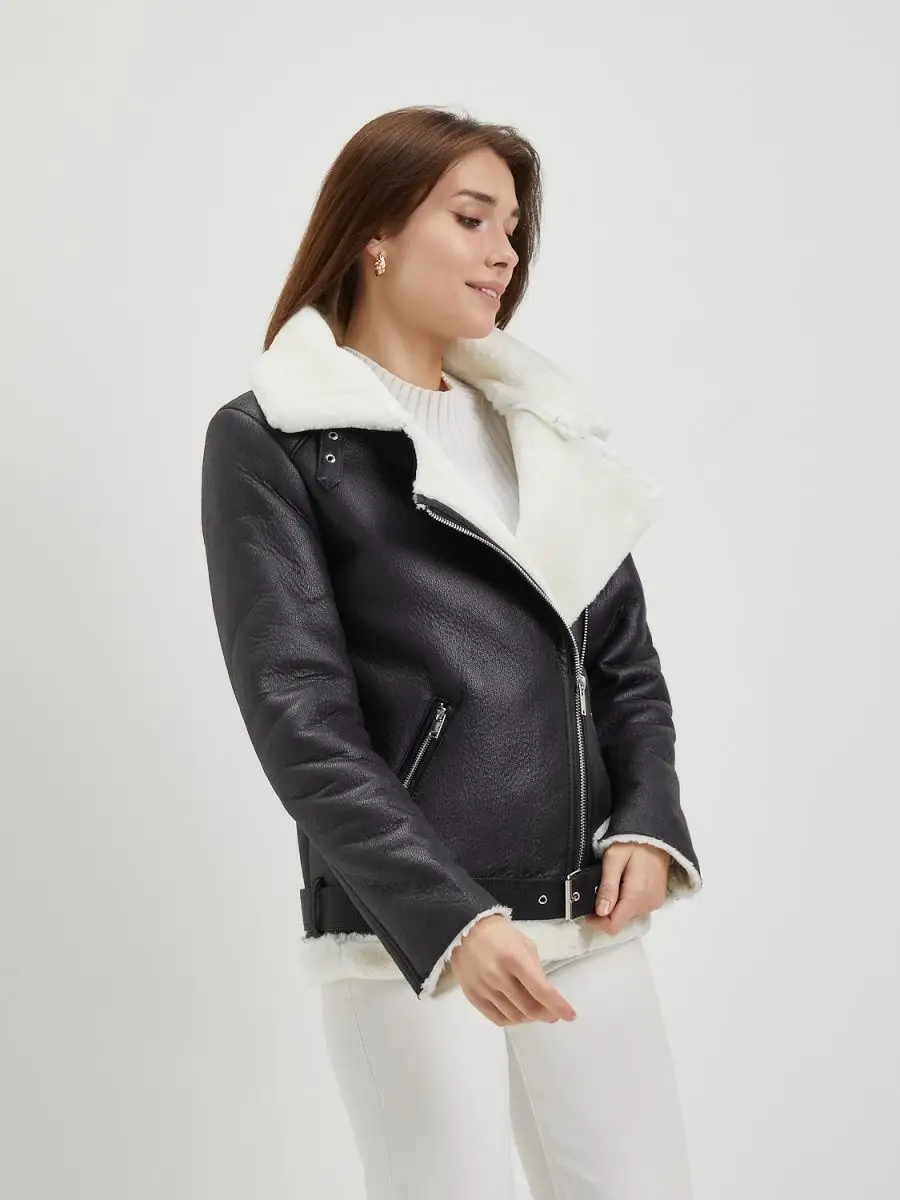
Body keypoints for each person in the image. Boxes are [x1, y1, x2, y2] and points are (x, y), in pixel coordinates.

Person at [201, 104, 703, 1199]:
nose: (504, 252)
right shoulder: (274, 438)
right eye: (471, 218)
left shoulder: (543, 427)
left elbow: (623, 662)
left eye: (513, 229)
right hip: (410, 937)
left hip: (587, 913)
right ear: (375, 233)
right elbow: (300, 718)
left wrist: (649, 821)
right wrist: (450, 917)